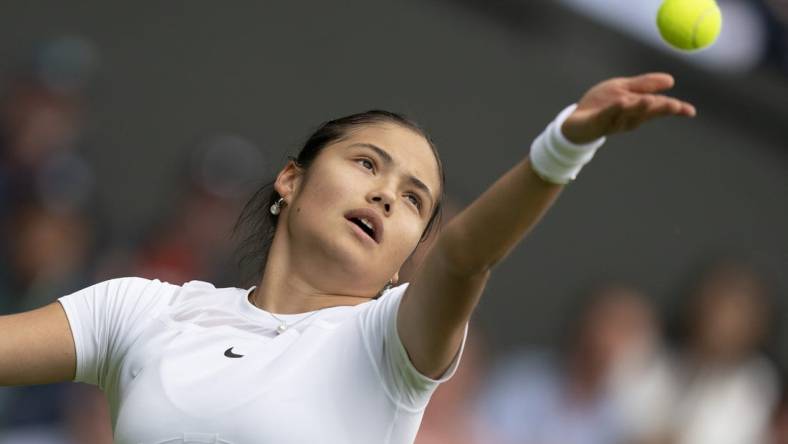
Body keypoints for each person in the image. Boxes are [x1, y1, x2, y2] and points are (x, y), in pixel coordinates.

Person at [0, 72, 696, 443]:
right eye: (367, 163)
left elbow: (463, 258)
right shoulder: (143, 308)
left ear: (405, 260)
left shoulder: (388, 346)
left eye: (415, 199)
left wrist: (565, 145)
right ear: (291, 180)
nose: (387, 196)